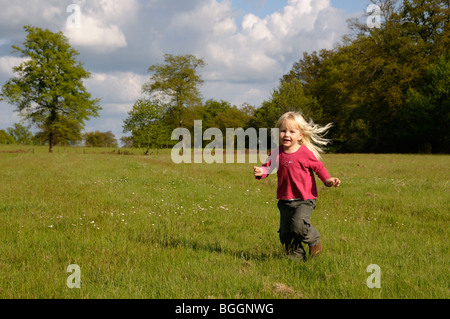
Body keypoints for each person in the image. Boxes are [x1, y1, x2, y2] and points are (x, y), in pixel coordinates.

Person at [253, 112, 340, 261]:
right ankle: (296, 259)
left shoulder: (305, 153)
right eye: (283, 131)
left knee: (298, 225)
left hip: (305, 198)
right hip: (285, 199)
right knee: (285, 233)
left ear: (300, 135)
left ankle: (314, 239)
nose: (286, 134)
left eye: (292, 131)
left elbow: (319, 168)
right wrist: (261, 171)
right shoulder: (276, 153)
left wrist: (327, 180)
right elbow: (269, 167)